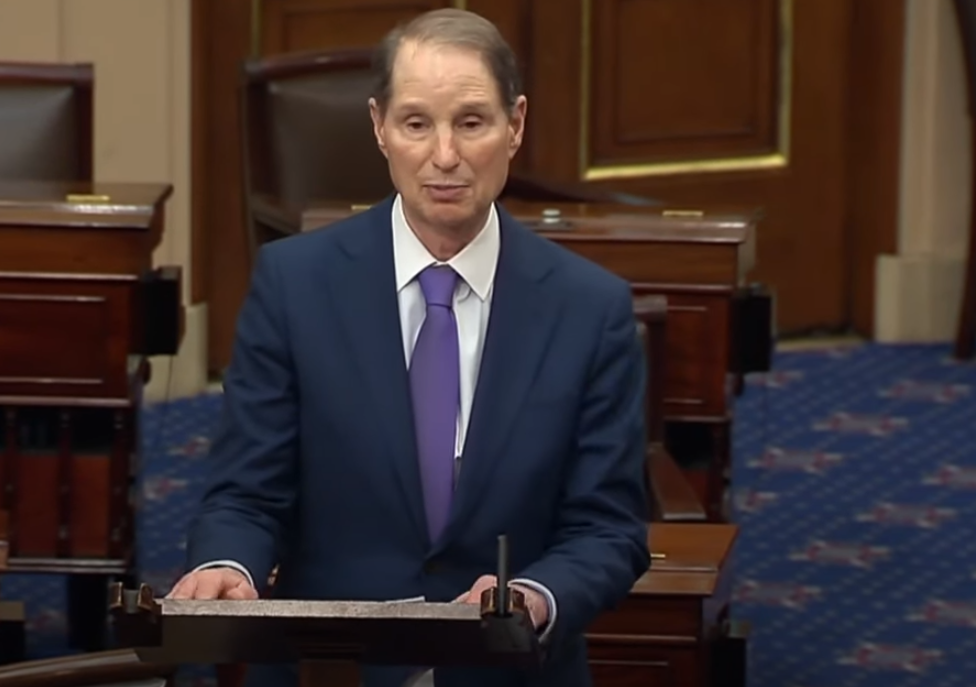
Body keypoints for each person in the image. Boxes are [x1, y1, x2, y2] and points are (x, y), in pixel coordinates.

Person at [170, 7, 650, 687]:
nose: (444, 156)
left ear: (515, 125)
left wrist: (537, 597)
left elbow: (609, 528)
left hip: (508, 671)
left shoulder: (589, 308)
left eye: (472, 122)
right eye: (416, 123)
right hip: (329, 669)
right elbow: (247, 493)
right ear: (378, 128)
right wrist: (229, 564)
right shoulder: (294, 285)